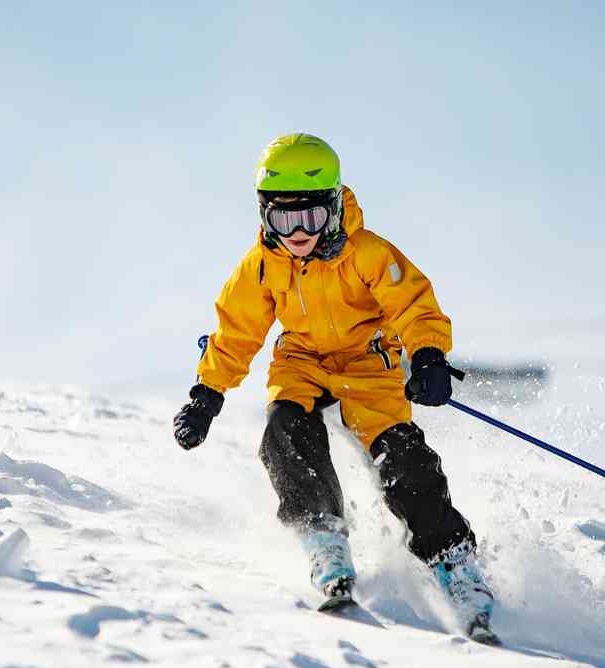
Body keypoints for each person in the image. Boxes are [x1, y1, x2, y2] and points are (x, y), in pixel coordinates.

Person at [173, 133, 495, 640]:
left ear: (333, 207)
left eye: (310, 217)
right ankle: (322, 536)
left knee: (402, 454)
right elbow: (236, 330)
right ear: (264, 214)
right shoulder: (261, 265)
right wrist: (206, 395)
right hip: (302, 359)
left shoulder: (368, 253)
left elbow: (413, 304)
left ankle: (454, 563)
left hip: (369, 362)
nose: (297, 232)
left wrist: (428, 354)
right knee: (285, 429)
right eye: (283, 218)